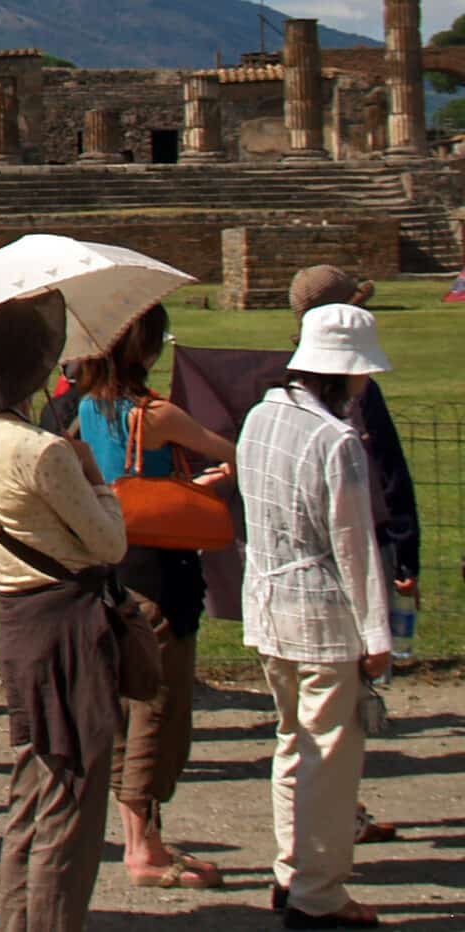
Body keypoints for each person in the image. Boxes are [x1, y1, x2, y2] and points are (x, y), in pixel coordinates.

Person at [0, 294, 126, 932]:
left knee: (34, 791)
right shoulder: (43, 450)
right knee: (70, 799)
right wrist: (96, 477)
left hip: (21, 620)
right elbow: (109, 543)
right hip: (65, 625)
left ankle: (19, 919)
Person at [52, 304, 234, 890]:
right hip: (159, 573)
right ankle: (143, 847)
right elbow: (230, 450)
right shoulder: (155, 414)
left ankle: (142, 835)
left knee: (126, 707)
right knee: (159, 707)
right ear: (148, 349)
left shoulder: (87, 408)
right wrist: (204, 484)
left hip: (112, 565)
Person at [240, 303, 396, 929]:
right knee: (329, 759)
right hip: (322, 617)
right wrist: (377, 634)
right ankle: (318, 895)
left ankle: (291, 872)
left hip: (269, 605)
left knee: (293, 743)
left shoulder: (261, 416)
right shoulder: (337, 441)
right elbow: (354, 545)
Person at [290, 265, 418, 848]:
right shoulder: (350, 397)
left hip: (291, 571)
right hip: (349, 559)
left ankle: (308, 831)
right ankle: (337, 824)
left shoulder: (282, 392)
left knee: (304, 715)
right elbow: (387, 476)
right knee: (345, 704)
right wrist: (406, 552)